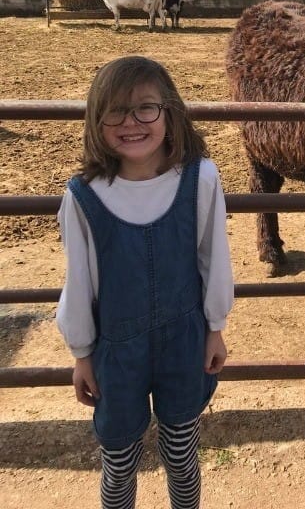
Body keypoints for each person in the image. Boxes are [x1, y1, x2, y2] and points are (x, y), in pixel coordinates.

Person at [56, 55, 234, 509]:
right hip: (116, 351)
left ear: (169, 113)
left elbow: (214, 257)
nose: (131, 123)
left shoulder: (200, 179)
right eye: (115, 110)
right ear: (97, 120)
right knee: (118, 464)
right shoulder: (83, 198)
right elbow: (79, 282)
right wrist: (82, 354)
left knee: (182, 456)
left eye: (145, 108)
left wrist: (215, 327)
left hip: (185, 340)